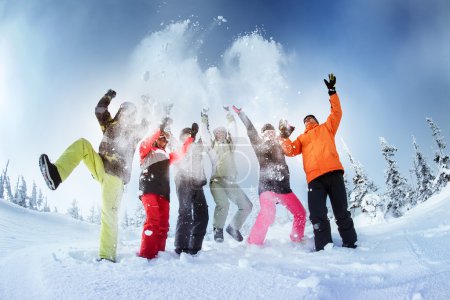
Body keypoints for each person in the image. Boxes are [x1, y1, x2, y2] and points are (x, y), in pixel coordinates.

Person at [39, 89, 149, 262]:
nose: (126, 115)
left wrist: (146, 104)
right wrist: (108, 96)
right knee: (83, 144)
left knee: (109, 214)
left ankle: (107, 256)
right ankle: (57, 174)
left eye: (130, 113)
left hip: (116, 176)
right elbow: (99, 110)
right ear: (121, 112)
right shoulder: (110, 124)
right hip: (100, 166)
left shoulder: (133, 134)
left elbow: (145, 125)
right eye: (124, 111)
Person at [280, 74, 358, 251]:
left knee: (341, 212)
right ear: (304, 124)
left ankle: (350, 243)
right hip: (315, 180)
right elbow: (290, 150)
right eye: (305, 119)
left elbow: (337, 112)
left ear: (315, 120)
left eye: (310, 118)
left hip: (334, 174)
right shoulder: (302, 138)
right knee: (317, 214)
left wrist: (332, 91)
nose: (308, 120)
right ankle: (323, 247)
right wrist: (284, 137)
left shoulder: (326, 127)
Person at [232, 106, 306, 245]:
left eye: (272, 132)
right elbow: (251, 130)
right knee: (267, 215)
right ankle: (254, 243)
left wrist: (286, 131)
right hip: (267, 187)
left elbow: (287, 140)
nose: (270, 134)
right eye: (267, 133)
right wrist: (242, 114)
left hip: (283, 188)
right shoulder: (259, 145)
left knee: (300, 213)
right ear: (263, 135)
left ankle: (297, 239)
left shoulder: (280, 145)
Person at [137, 117, 194, 259]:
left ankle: (159, 253)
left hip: (163, 192)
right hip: (149, 187)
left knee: (163, 224)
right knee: (153, 220)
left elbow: (181, 152)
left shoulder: (167, 156)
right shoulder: (147, 152)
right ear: (156, 139)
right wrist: (160, 129)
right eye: (161, 139)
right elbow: (146, 142)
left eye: (165, 140)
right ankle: (147, 254)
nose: (163, 141)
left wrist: (191, 138)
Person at [200, 108, 253, 242]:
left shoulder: (231, 145)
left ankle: (233, 228)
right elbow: (204, 133)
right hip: (216, 180)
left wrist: (229, 115)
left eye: (223, 131)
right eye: (217, 132)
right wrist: (204, 116)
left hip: (230, 182)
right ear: (215, 135)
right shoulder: (211, 146)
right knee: (223, 203)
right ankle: (218, 230)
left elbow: (234, 130)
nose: (220, 133)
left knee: (247, 206)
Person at [173, 125, 209, 255]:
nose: (189, 136)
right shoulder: (179, 147)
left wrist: (205, 122)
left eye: (191, 134)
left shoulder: (197, 148)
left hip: (197, 183)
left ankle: (194, 247)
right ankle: (181, 247)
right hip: (183, 180)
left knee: (202, 214)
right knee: (185, 211)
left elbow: (205, 137)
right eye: (186, 134)